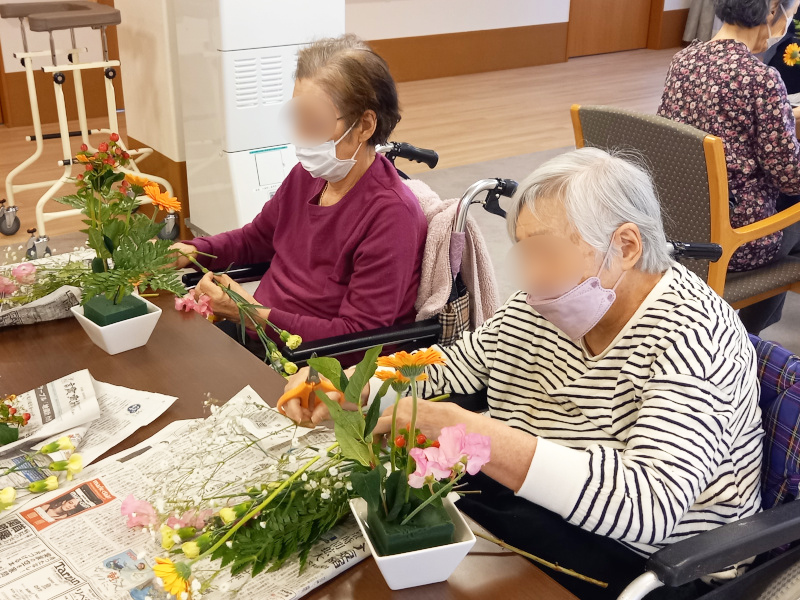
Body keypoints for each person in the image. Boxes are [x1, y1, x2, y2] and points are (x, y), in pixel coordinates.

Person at [283, 149, 764, 600]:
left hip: (646, 563)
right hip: (533, 509)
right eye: (523, 252)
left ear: (626, 246)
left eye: (546, 253)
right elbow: (450, 368)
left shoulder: (697, 338)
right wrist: (348, 386)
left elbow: (647, 508)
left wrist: (460, 427)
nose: (530, 278)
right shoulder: (546, 308)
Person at [170, 34, 427, 351]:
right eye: (297, 118)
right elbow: (256, 239)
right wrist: (190, 252)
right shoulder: (305, 177)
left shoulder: (391, 216)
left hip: (312, 365)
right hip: (260, 336)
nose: (302, 137)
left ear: (364, 125)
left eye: (315, 122)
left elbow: (356, 337)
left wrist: (247, 313)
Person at [658, 0, 800, 335]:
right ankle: (747, 339)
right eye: (787, 18)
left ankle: (736, 332)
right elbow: (791, 177)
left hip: (679, 224)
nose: (783, 28)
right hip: (735, 241)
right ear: (770, 11)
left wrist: (780, 115)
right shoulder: (761, 78)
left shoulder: (682, 61)